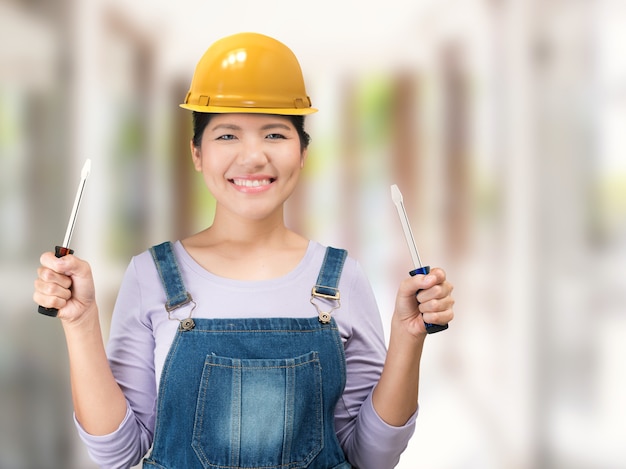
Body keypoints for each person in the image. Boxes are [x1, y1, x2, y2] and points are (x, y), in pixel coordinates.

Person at [33, 32, 455, 469]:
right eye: (227, 135)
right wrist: (80, 323)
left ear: (302, 152)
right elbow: (118, 454)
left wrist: (409, 337)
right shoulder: (150, 276)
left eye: (274, 133)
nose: (253, 157)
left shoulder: (342, 277)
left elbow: (371, 457)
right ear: (197, 152)